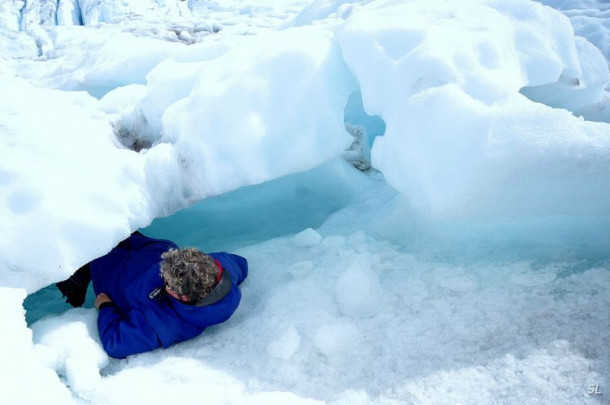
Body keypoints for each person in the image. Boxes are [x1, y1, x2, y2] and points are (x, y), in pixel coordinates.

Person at [56, 231, 248, 359]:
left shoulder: (161, 325)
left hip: (108, 271)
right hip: (144, 248)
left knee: (81, 249)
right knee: (108, 227)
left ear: (182, 297)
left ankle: (74, 289)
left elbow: (115, 343)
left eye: (166, 280)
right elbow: (241, 264)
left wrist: (106, 307)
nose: (161, 273)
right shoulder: (222, 268)